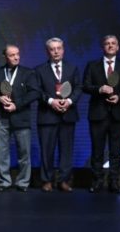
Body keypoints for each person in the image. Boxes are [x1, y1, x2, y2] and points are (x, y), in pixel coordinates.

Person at [82, 35, 120, 194]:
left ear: (118, 47)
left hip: (118, 114)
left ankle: (114, 182)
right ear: (102, 47)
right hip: (98, 114)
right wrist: (99, 89)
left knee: (115, 151)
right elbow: (85, 86)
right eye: (107, 43)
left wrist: (119, 97)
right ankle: (97, 181)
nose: (110, 46)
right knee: (97, 150)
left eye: (113, 43)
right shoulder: (92, 66)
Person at [34, 37, 81, 193]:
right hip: (47, 115)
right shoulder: (39, 70)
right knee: (47, 150)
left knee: (66, 150)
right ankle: (47, 180)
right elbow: (37, 91)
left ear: (63, 50)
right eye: (52, 49)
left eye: (58, 48)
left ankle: (64, 180)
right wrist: (51, 101)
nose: (56, 51)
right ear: (47, 52)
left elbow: (78, 88)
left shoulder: (72, 68)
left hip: (68, 115)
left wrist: (69, 101)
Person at [0, 45, 40, 192]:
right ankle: (4, 182)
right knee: (1, 152)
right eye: (12, 55)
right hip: (2, 117)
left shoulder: (28, 73)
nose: (16, 57)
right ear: (5, 57)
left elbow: (35, 93)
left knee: (24, 153)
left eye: (17, 54)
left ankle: (23, 182)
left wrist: (16, 105)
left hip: (21, 117)